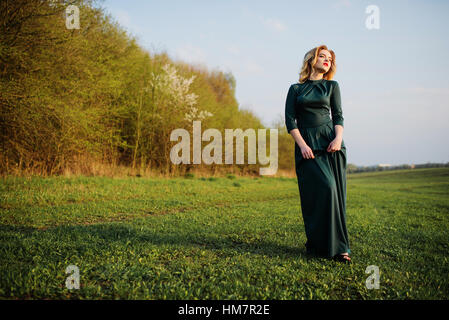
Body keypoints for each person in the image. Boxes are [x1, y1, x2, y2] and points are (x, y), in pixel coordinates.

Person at [284, 45, 351, 263]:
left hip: (330, 144)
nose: (326, 61)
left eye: (330, 59)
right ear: (311, 59)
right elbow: (290, 121)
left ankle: (340, 249)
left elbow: (338, 116)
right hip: (307, 147)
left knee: (333, 192)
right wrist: (302, 145)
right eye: (322, 56)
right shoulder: (295, 89)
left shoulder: (332, 86)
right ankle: (315, 243)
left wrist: (338, 139)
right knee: (315, 195)